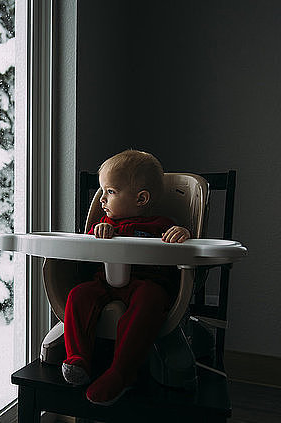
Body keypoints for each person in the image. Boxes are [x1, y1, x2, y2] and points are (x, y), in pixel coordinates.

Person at [61, 149, 191, 405]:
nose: (102, 200)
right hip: (105, 282)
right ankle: (78, 359)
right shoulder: (105, 224)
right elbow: (88, 244)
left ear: (141, 198)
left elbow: (183, 243)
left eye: (110, 192)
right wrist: (98, 231)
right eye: (102, 191)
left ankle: (121, 373)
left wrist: (182, 232)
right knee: (79, 294)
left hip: (146, 282)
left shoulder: (161, 225)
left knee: (150, 299)